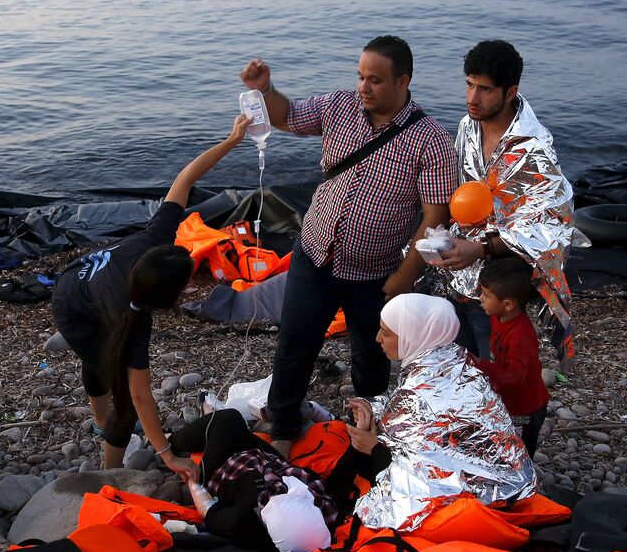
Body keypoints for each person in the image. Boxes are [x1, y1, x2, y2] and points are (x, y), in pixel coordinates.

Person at [239, 36, 458, 457]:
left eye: (375, 80)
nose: (363, 87)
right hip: (314, 254)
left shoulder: (429, 139)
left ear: (403, 81)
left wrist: (403, 277)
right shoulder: (339, 107)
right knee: (295, 344)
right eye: (360, 76)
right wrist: (266, 89)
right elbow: (286, 117)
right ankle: (283, 426)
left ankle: (370, 426)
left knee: (373, 354)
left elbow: (435, 217)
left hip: (375, 271)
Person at [52, 115, 252, 474]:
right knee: (124, 404)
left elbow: (186, 178)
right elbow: (142, 398)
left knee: (99, 358)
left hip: (84, 281)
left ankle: (100, 422)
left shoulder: (154, 237)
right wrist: (167, 456)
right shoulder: (132, 321)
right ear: (166, 297)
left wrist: (233, 139)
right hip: (71, 303)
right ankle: (109, 474)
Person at [434, 40, 582, 373]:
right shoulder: (467, 127)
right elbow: (458, 191)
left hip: (500, 285)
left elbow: (554, 223)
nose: (472, 98)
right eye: (469, 85)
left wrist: (482, 247)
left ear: (510, 91)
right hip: (457, 272)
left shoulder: (533, 148)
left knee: (497, 371)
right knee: (459, 363)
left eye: (485, 89)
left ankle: (511, 420)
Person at [343, 293, 536, 531]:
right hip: (512, 479)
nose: (377, 338)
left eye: (386, 332)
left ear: (414, 335)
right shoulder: (446, 357)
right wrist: (372, 406)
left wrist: (371, 446)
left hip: (485, 496)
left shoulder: (423, 388)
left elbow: (419, 471)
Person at [172, 409, 337, 552]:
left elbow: (207, 510)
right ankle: (209, 415)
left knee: (228, 419)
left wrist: (191, 477)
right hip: (268, 462)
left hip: (225, 468)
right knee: (236, 429)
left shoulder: (238, 523)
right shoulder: (320, 509)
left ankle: (168, 443)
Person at [474, 259, 549, 455]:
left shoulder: (520, 336)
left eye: (485, 295)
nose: (480, 298)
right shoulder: (498, 316)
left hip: (526, 408)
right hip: (510, 401)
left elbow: (515, 378)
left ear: (507, 304)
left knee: (519, 451)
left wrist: (481, 366)